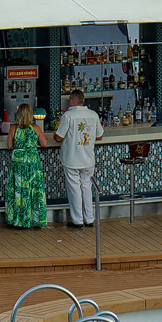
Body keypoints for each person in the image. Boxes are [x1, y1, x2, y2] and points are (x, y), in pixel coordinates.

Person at [53, 90, 103, 228]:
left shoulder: (68, 116)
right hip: (88, 158)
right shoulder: (93, 115)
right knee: (86, 187)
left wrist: (54, 134)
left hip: (72, 159)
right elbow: (99, 136)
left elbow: (59, 137)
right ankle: (89, 219)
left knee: (74, 189)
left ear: (72, 100)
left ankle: (77, 221)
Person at [5, 103, 47, 228]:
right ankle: (35, 219)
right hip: (32, 164)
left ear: (18, 115)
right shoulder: (35, 128)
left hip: (18, 164)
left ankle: (18, 220)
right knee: (34, 191)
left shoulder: (13, 128)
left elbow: (9, 146)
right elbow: (44, 144)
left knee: (19, 191)